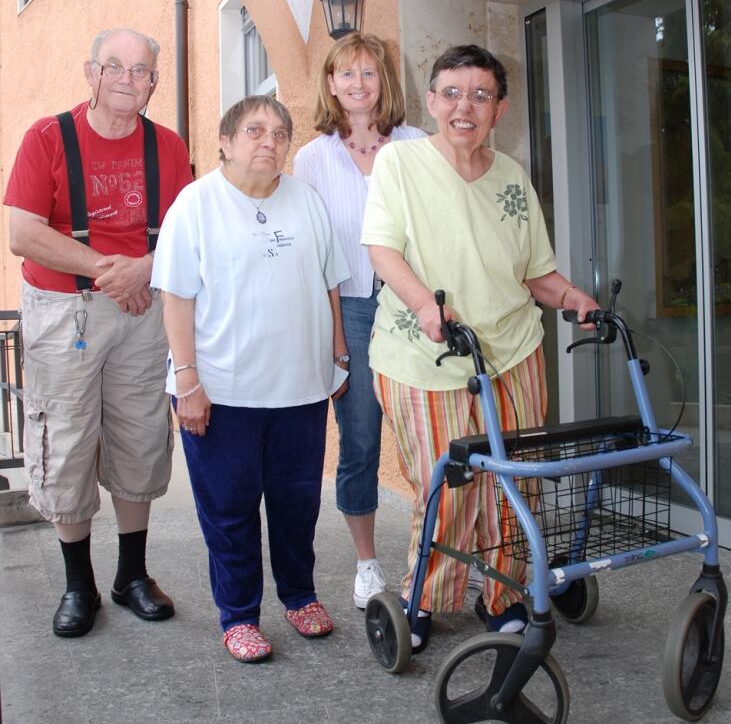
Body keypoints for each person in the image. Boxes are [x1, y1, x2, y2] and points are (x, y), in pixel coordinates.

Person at [361, 44, 599, 651]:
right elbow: (383, 250)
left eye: (480, 95)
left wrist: (573, 299)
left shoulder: (512, 175)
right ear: (433, 101)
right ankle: (423, 600)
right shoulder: (400, 163)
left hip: (512, 352)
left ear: (500, 108)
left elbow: (533, 271)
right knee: (448, 486)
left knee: (517, 480)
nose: (464, 106)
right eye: (451, 93)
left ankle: (505, 594)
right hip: (426, 356)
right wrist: (425, 304)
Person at [4, 28, 192, 637]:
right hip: (67, 311)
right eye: (114, 66)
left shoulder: (167, 145)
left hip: (144, 308)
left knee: (140, 434)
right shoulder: (45, 137)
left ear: (153, 83)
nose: (126, 79)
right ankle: (78, 584)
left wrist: (146, 268)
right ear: (91, 72)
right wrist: (110, 272)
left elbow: (185, 234)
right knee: (67, 438)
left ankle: (131, 575)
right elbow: (23, 233)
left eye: (140, 70)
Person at [151, 95, 350, 663]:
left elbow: (330, 282)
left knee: (296, 503)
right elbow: (176, 299)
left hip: (300, 389)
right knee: (230, 508)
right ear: (225, 141)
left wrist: (338, 354)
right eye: (255, 130)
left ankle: (299, 595)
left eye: (281, 133)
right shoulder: (195, 205)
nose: (270, 141)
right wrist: (186, 380)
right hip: (221, 392)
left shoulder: (305, 200)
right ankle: (238, 615)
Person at [293, 33, 424, 610]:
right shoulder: (313, 158)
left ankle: (437, 553)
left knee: (429, 434)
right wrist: (336, 345)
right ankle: (368, 564)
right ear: (330, 84)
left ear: (384, 82)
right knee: (362, 437)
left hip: (411, 308)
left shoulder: (417, 145)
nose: (358, 84)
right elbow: (317, 256)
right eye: (346, 74)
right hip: (348, 307)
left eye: (369, 74)